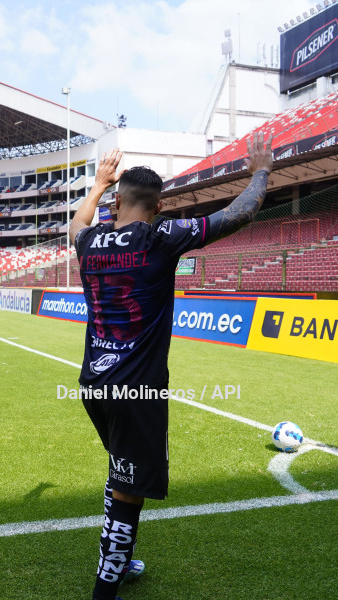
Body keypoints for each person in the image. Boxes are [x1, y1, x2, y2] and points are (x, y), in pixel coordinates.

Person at [68, 132, 273, 600]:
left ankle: (119, 559)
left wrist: (98, 184)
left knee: (122, 470)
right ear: (158, 207)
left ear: (117, 202)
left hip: (93, 383)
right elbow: (237, 215)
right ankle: (105, 588)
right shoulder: (161, 237)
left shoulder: (92, 240)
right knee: (129, 489)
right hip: (136, 390)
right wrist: (261, 171)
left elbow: (75, 225)